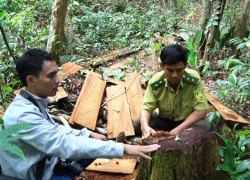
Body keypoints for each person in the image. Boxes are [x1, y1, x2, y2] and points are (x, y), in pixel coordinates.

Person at [0, 49, 160, 180]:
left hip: (47, 164)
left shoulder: (32, 102)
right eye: (51, 76)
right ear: (31, 80)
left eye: (57, 73)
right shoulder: (23, 116)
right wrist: (123, 148)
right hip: (36, 175)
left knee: (92, 149)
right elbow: (63, 144)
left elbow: (54, 130)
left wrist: (87, 133)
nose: (58, 80)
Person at [134, 44, 209, 139]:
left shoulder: (194, 80)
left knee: (204, 127)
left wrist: (178, 130)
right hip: (163, 121)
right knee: (138, 124)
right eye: (170, 70)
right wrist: (144, 126)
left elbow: (201, 110)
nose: (174, 75)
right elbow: (146, 108)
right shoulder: (155, 82)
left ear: (185, 66)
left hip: (186, 121)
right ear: (162, 66)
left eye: (179, 70)